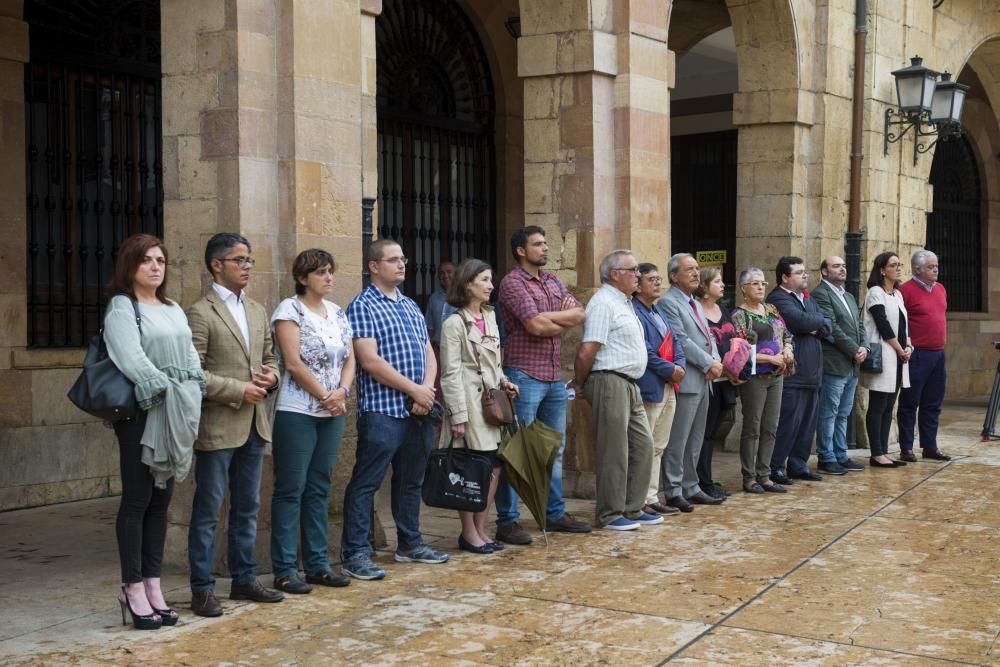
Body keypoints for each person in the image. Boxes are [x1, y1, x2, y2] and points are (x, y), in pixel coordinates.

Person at [104, 233, 204, 629]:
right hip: (144, 412)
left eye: (160, 260)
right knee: (137, 499)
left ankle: (153, 584)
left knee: (161, 502)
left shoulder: (173, 307)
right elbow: (131, 358)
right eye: (146, 260)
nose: (155, 267)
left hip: (176, 410)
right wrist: (167, 389)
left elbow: (191, 356)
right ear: (130, 265)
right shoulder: (122, 307)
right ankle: (131, 587)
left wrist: (191, 387)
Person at [186, 233, 284, 618]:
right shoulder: (200, 312)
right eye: (239, 260)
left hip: (255, 425)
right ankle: (201, 588)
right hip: (218, 425)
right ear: (217, 265)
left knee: (248, 507)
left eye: (249, 260)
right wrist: (237, 389)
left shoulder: (257, 310)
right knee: (209, 510)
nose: (246, 266)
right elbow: (192, 374)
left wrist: (270, 380)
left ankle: (244, 579)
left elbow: (270, 358)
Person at [341, 239, 449, 580]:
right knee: (366, 482)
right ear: (374, 266)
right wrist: (414, 389)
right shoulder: (362, 305)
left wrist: (427, 390)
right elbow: (369, 361)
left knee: (411, 481)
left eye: (403, 259)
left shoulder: (410, 306)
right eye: (393, 260)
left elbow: (428, 351)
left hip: (420, 408)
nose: (402, 264)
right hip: (383, 410)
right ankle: (355, 552)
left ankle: (410, 543)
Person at [495, 226, 591, 545]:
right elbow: (534, 326)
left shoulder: (552, 280)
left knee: (554, 448)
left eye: (546, 242)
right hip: (523, 375)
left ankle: (553, 512)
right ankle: (508, 520)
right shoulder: (512, 283)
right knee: (516, 448)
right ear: (521, 251)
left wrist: (546, 319)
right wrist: (549, 320)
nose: (545, 248)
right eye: (538, 244)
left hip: (552, 377)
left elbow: (578, 313)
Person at [269, 249, 355, 595]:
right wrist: (325, 395)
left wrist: (342, 392)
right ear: (303, 278)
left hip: (333, 410)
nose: (329, 278)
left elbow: (349, 358)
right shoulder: (289, 310)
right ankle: (286, 569)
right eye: (321, 272)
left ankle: (318, 564)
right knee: (291, 489)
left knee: (320, 486)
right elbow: (293, 363)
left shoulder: (336, 311)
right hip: (298, 411)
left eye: (331, 271)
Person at [574, 250, 659, 530]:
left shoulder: (625, 302)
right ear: (615, 274)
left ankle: (632, 508)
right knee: (614, 450)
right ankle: (610, 514)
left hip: (629, 382)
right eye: (633, 269)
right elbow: (588, 350)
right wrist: (580, 383)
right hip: (609, 379)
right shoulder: (603, 303)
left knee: (643, 445)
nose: (638, 274)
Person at [438, 259, 518, 552]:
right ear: (468, 283)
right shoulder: (453, 323)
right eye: (484, 280)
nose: (490, 286)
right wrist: (457, 416)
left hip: (491, 406)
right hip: (470, 406)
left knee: (493, 467)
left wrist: (505, 381)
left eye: (490, 279)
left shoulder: (491, 316)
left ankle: (482, 529)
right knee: (471, 468)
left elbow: (493, 363)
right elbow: (450, 373)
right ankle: (468, 532)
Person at [657, 253, 726, 512]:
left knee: (696, 438)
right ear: (674, 276)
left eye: (697, 268)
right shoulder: (668, 302)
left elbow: (708, 335)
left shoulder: (695, 303)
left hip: (705, 378)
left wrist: (716, 361)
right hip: (687, 379)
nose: (696, 273)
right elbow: (681, 340)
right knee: (679, 439)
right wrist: (709, 363)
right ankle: (674, 490)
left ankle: (691, 485)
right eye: (689, 269)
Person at [766, 256, 832, 484]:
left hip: (813, 372)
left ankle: (798, 464)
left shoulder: (806, 298)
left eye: (805, 271)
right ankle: (776, 467)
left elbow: (828, 323)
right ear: (785, 277)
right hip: (793, 373)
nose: (805, 275)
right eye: (799, 272)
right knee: (788, 423)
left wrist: (814, 323)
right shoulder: (777, 298)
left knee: (807, 424)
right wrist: (814, 323)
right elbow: (800, 322)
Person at [731, 268, 793, 493]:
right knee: (752, 426)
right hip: (755, 376)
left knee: (771, 426)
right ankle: (749, 477)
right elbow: (739, 348)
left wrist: (787, 348)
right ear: (743, 288)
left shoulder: (771, 309)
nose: (760, 287)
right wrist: (770, 357)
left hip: (776, 375)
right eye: (755, 283)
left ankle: (765, 475)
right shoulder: (739, 315)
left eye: (763, 283)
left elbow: (786, 333)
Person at [632, 263, 685, 517]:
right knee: (645, 444)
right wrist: (670, 369)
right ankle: (639, 499)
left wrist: (680, 365)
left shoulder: (658, 310)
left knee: (659, 445)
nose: (657, 283)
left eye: (658, 279)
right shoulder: (635, 311)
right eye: (651, 279)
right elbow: (644, 350)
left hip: (669, 385)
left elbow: (675, 341)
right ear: (637, 284)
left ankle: (652, 496)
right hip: (650, 384)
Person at [811, 256, 868, 475]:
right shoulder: (820, 294)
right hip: (834, 363)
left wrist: (864, 347)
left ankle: (841, 455)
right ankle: (826, 457)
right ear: (824, 272)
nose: (842, 269)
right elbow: (832, 328)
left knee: (844, 412)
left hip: (853, 363)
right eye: (836, 266)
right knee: (829, 411)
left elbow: (859, 325)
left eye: (844, 265)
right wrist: (855, 349)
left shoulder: (850, 296)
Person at [897, 250, 951, 462]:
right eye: (930, 267)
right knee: (910, 403)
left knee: (933, 403)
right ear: (917, 269)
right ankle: (906, 448)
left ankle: (930, 446)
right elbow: (900, 324)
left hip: (938, 354)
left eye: (936, 266)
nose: (936, 269)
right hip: (916, 354)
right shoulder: (905, 291)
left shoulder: (941, 289)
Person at [862, 252, 912, 468]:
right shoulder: (875, 293)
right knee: (878, 404)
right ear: (882, 270)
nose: (898, 268)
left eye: (899, 264)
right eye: (893, 265)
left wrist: (908, 346)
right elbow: (883, 325)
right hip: (885, 354)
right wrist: (900, 348)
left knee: (890, 405)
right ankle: (876, 453)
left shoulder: (897, 294)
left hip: (899, 356)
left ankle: (883, 451)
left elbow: (903, 325)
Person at [695, 266, 738, 498]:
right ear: (704, 286)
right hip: (708, 378)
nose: (722, 285)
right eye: (717, 281)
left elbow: (734, 340)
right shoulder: (697, 311)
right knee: (704, 432)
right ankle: (702, 481)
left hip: (726, 379)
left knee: (713, 431)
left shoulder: (723, 309)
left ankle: (706, 478)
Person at [424, 261, 457, 348]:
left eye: (449, 272)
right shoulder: (433, 298)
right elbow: (430, 327)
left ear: (456, 275)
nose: (445, 275)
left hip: (458, 350)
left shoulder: (464, 297)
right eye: (442, 273)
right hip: (437, 349)